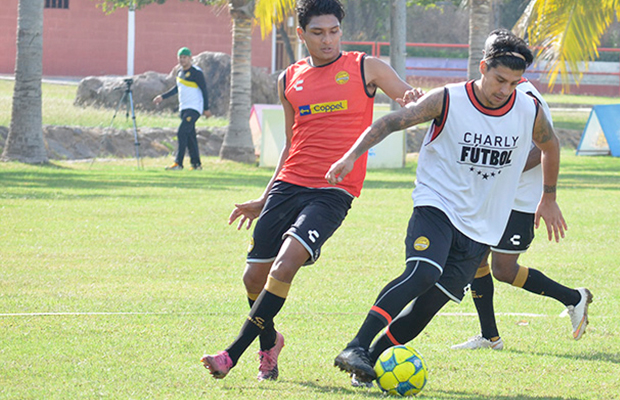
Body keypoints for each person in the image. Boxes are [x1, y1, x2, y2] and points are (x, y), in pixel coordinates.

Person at [326, 29, 566, 385]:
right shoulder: (448, 99)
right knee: (423, 272)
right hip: (436, 205)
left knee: (428, 307)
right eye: (499, 79)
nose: (504, 90)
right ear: (483, 67)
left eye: (514, 83)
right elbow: (391, 122)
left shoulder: (527, 110)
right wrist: (351, 156)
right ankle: (356, 345)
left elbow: (551, 146)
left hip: (483, 225)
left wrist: (548, 196)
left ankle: (367, 364)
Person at [199, 0, 422, 381]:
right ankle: (270, 342)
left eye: (334, 31)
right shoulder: (289, 78)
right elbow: (289, 144)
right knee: (253, 278)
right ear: (301, 34)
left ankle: (232, 353)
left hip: (333, 191)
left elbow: (407, 98)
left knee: (286, 265)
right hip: (288, 185)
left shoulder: (365, 67)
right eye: (318, 33)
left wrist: (415, 99)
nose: (328, 40)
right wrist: (265, 196)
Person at [451, 78, 591, 352]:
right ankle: (490, 337)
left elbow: (543, 147)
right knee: (476, 259)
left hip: (519, 200)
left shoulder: (528, 98)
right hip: (496, 196)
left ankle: (574, 298)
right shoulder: (497, 96)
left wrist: (542, 194)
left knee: (504, 269)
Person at [153, 47, 212, 171]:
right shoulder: (180, 72)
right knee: (190, 136)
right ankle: (196, 165)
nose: (182, 60)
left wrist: (206, 108)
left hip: (194, 108)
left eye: (185, 57)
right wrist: (162, 97)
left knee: (181, 132)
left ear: (190, 58)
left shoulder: (196, 72)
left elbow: (204, 90)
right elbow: (177, 88)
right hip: (184, 107)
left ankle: (178, 163)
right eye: (180, 57)